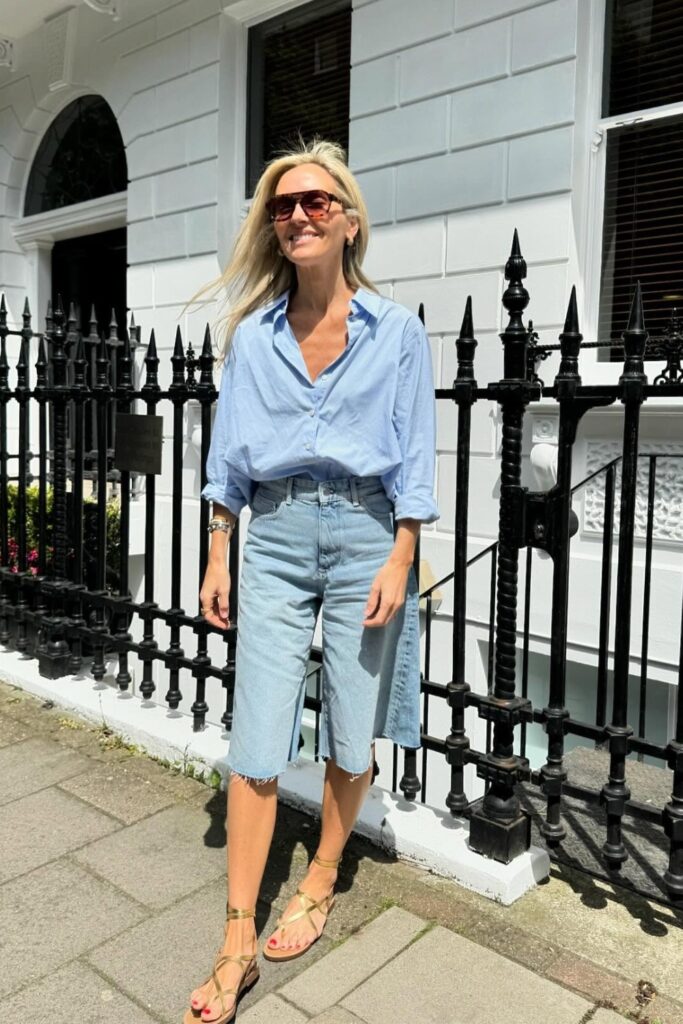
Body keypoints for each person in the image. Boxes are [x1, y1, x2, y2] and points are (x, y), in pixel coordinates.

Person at [185, 139, 438, 1024]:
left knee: (350, 720)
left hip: (368, 533)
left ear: (348, 220)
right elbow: (227, 461)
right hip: (278, 532)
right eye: (283, 205)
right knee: (257, 735)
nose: (297, 214)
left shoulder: (397, 330)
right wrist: (219, 550)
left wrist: (403, 557)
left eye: (315, 203)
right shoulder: (253, 338)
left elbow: (414, 456)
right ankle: (234, 939)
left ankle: (324, 869)